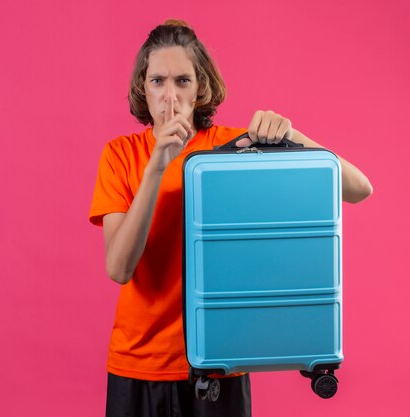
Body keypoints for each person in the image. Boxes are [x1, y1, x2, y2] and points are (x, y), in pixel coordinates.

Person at [89, 19, 373, 417]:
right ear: (142, 87)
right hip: (138, 365)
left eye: (183, 81)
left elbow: (359, 188)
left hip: (220, 365)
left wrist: (294, 136)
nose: (170, 96)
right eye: (158, 81)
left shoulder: (233, 149)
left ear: (201, 87)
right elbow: (119, 268)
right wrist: (157, 166)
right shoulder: (120, 156)